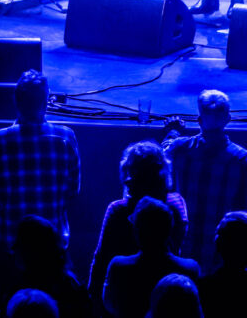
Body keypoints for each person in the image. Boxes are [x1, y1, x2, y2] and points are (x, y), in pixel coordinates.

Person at [0, 71, 80, 255]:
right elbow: (73, 191)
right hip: (53, 242)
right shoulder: (66, 137)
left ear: (16, 101)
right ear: (46, 102)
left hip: (9, 242)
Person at [88, 141, 187, 310]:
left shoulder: (118, 210)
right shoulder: (176, 204)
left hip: (126, 293)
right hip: (166, 294)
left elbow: (101, 258)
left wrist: (93, 299)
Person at [163, 89, 247, 272]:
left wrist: (172, 132)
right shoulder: (241, 160)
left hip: (181, 253)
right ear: (228, 119)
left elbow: (162, 155)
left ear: (199, 120)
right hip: (219, 258)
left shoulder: (179, 150)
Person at [102, 197, 199, 318]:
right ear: (169, 229)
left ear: (138, 231)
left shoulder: (119, 266)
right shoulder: (189, 269)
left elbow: (109, 305)